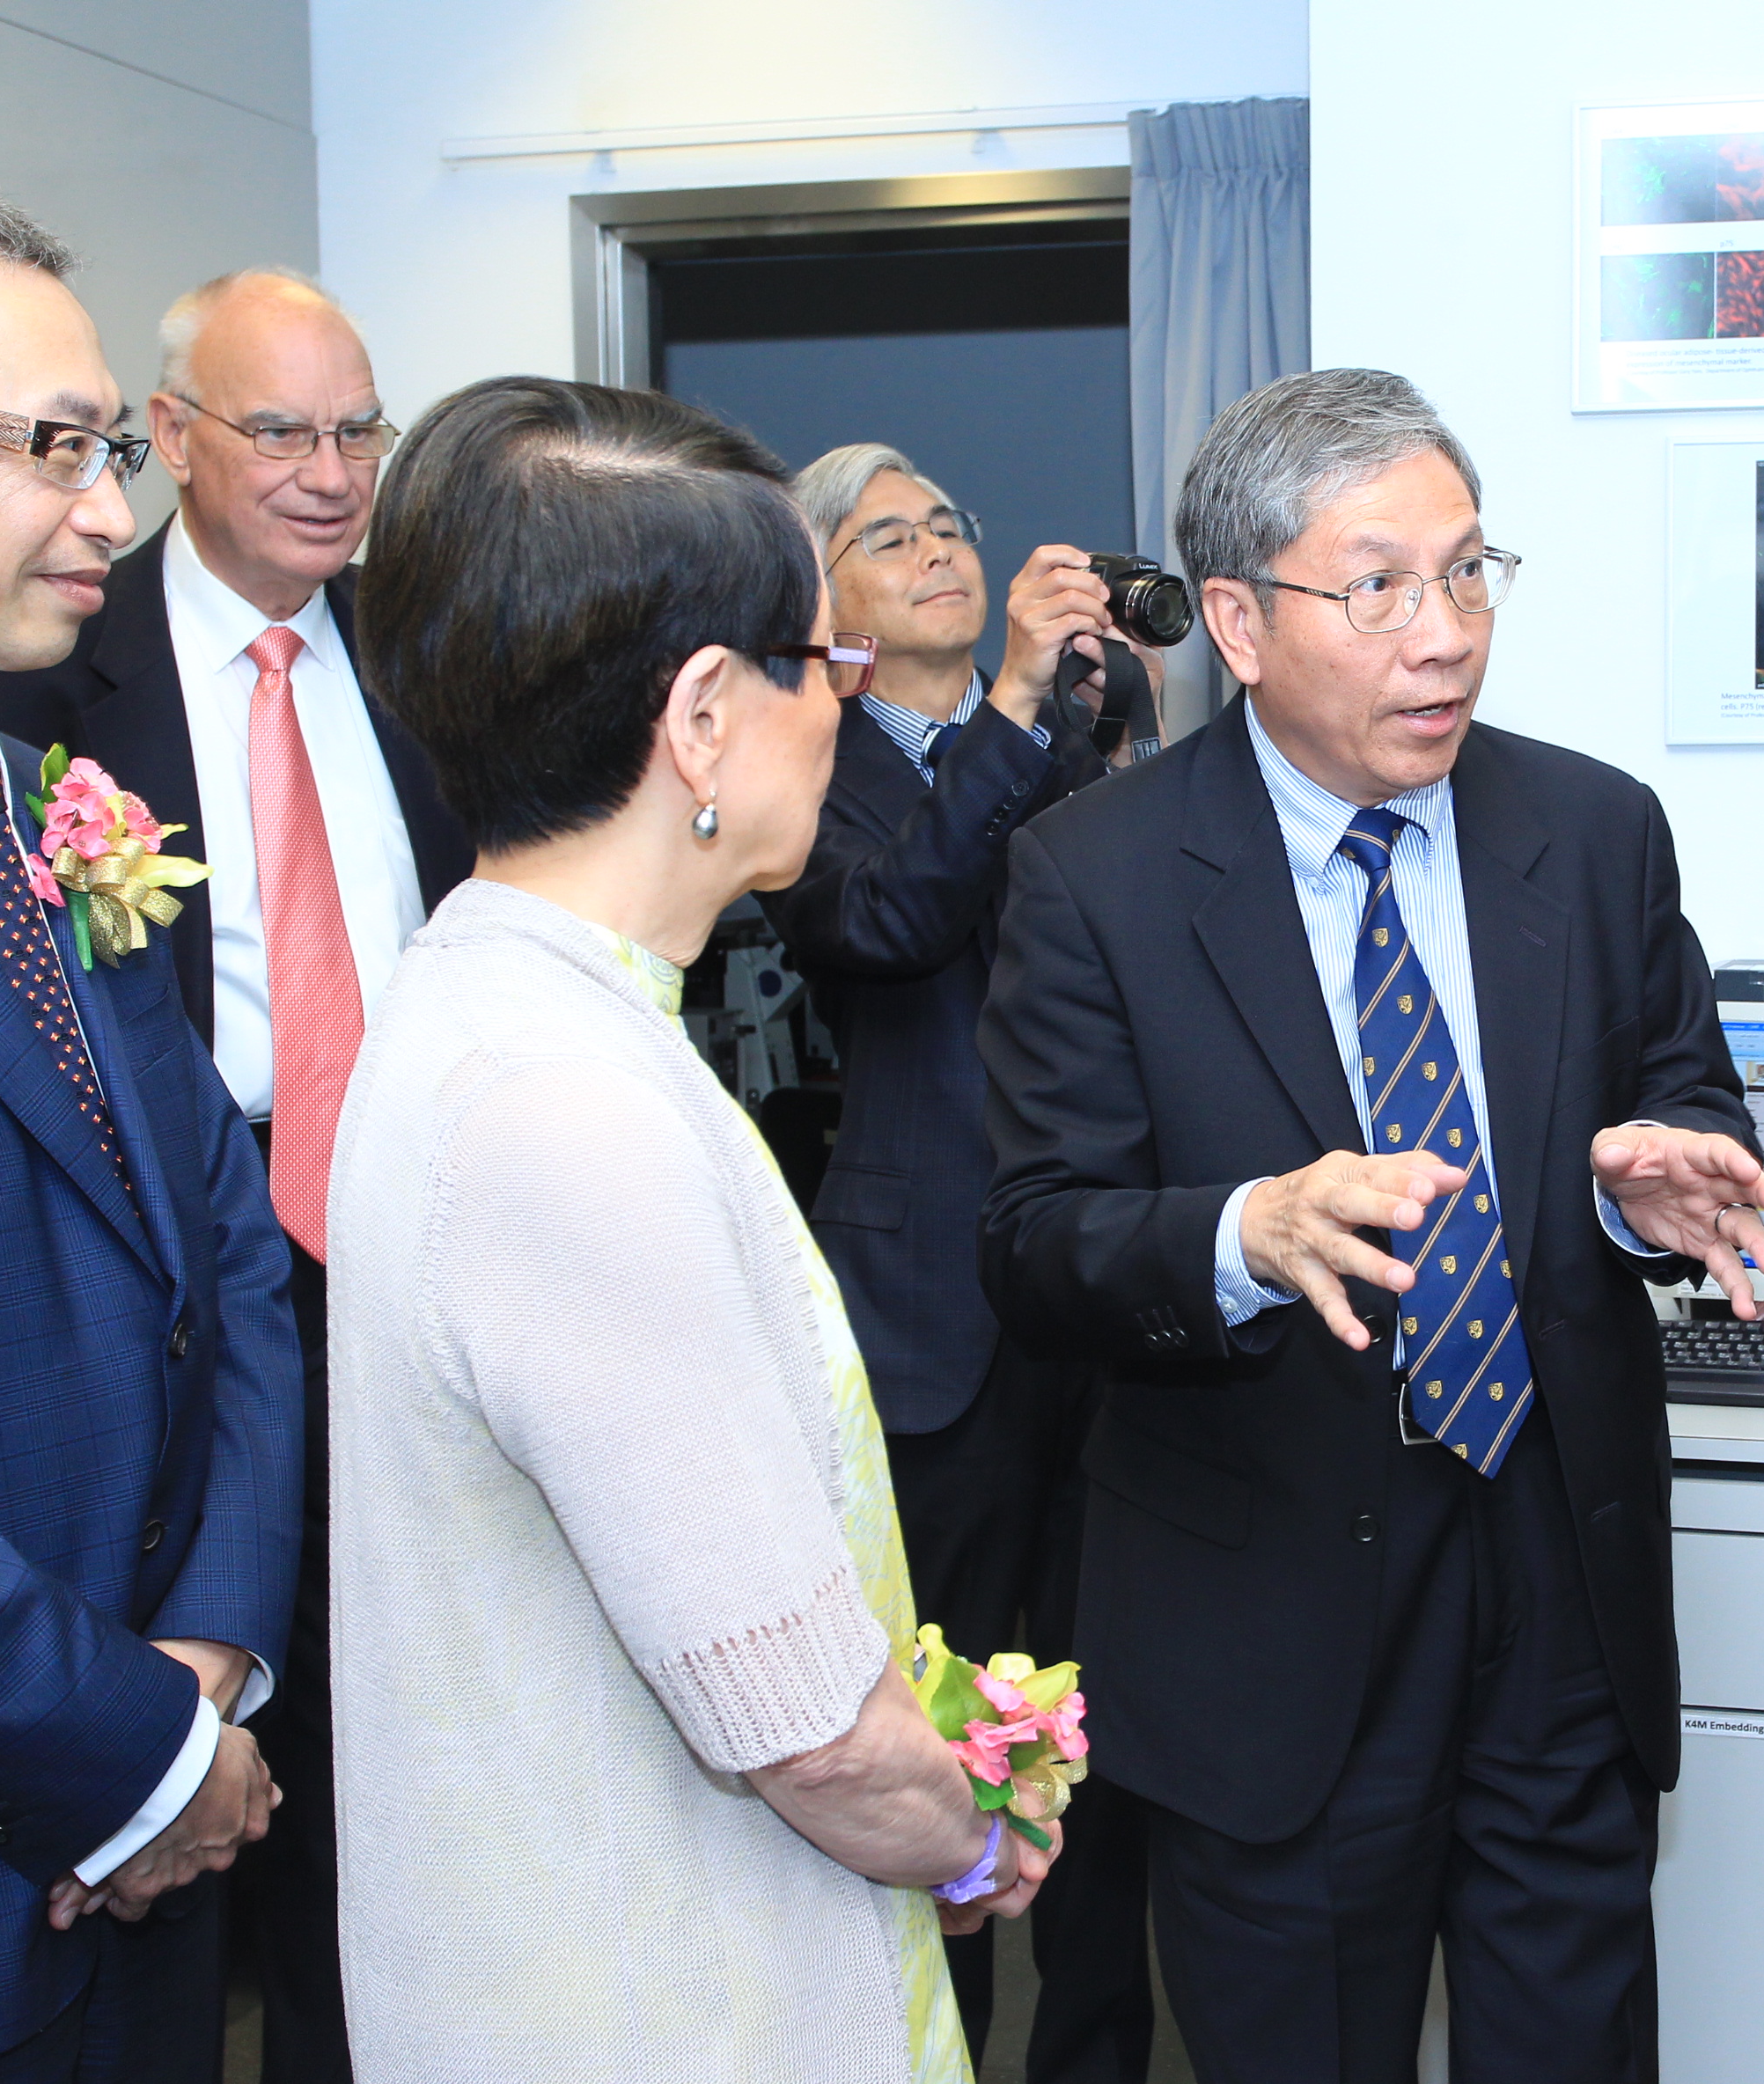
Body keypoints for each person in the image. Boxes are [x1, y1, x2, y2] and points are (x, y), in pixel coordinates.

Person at [976, 368, 1764, 2084]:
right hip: (1268, 1606)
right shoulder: (1096, 875)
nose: (1447, 635)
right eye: (1381, 586)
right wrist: (1242, 1230)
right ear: (1237, 621)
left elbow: (1682, 1095)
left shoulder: (1588, 830)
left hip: (1554, 1572)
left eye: (1472, 571)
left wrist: (1656, 1184)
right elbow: (1038, 1240)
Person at [331, 375, 1047, 2083]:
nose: (841, 708)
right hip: (656, 1998)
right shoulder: (564, 1107)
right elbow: (809, 1726)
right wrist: (971, 1828)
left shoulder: (505, 1006)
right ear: (708, 716)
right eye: (825, 664)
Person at [0, 176, 300, 2082]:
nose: (112, 507)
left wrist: (212, 1654)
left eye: (109, 447)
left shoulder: (41, 804)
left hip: (152, 1872)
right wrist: (134, 1741)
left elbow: (228, 1250)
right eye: (49, 447)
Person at [0, 265, 470, 2084]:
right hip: (173, 1266)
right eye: (282, 430)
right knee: (191, 1741)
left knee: (388, 1768)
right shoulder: (51, 685)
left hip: (408, 1246)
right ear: (169, 437)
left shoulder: (430, 653)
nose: (333, 471)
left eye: (360, 429)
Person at [756, 444, 1155, 2081]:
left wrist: (1093, 727)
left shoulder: (1061, 747)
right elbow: (888, 924)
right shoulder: (809, 765)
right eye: (884, 538)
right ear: (823, 604)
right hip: (931, 1320)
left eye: (948, 526)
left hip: (1105, 1298)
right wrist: (1006, 712)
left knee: (1107, 1729)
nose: (935, 550)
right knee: (944, 1729)